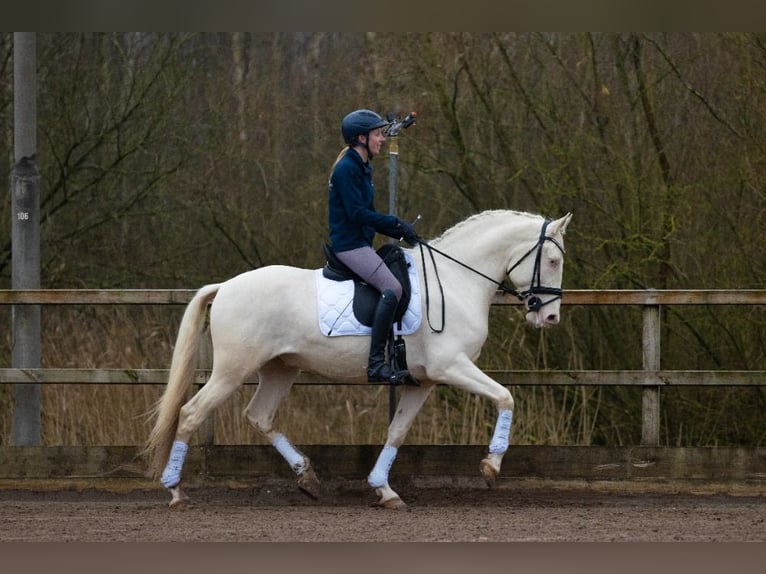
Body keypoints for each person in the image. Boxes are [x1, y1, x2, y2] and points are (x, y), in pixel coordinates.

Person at [327, 109, 420, 384]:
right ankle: (376, 363)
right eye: (377, 134)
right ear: (361, 138)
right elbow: (357, 214)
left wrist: (400, 229)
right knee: (393, 289)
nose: (381, 139)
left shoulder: (361, 166)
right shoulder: (347, 169)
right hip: (350, 246)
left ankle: (399, 356)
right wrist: (396, 224)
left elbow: (366, 214)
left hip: (360, 243)